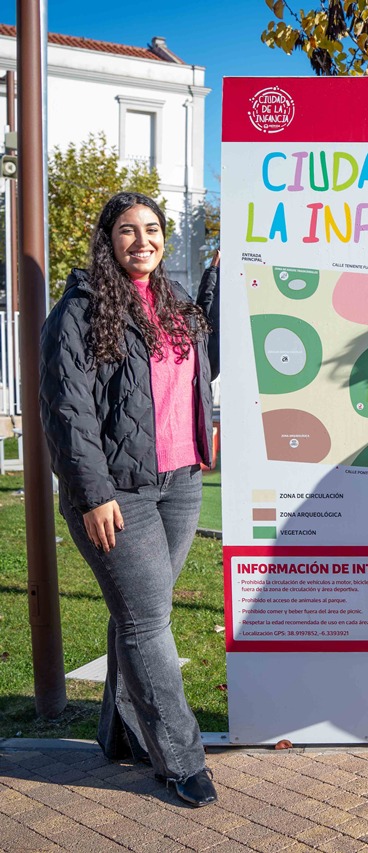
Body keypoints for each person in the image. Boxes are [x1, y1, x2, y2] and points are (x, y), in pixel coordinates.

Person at [39, 192, 220, 807]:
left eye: (152, 229)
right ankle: (181, 759)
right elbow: (68, 411)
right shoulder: (79, 310)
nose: (142, 240)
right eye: (127, 230)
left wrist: (217, 279)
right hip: (117, 495)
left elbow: (202, 369)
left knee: (140, 616)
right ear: (107, 240)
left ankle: (122, 733)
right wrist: (92, 495)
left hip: (181, 484)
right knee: (148, 624)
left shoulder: (175, 303)